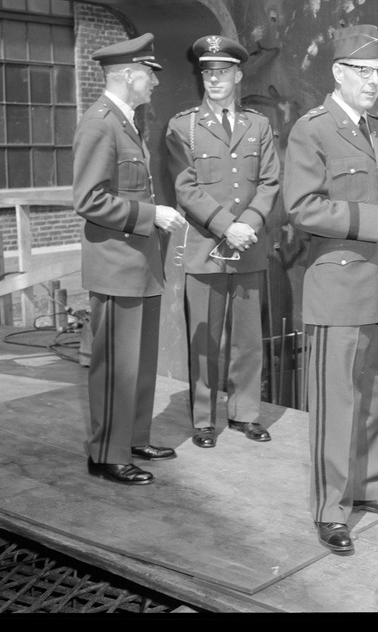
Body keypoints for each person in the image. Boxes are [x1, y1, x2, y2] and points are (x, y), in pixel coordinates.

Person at [283, 24, 378, 555]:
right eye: (363, 72)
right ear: (339, 73)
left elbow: (375, 198)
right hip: (338, 292)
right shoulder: (313, 131)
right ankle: (329, 510)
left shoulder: (373, 131)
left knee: (374, 402)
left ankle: (366, 489)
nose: (373, 82)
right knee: (336, 406)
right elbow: (301, 208)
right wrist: (374, 216)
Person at [72, 33, 187, 485]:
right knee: (115, 365)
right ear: (128, 76)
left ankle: (134, 437)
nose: (155, 84)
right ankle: (107, 453)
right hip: (117, 264)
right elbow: (88, 199)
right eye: (150, 76)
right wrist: (151, 214)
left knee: (138, 361)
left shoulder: (124, 122)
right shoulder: (100, 123)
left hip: (138, 262)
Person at [165, 35, 281, 448]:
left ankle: (245, 414)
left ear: (238, 75)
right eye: (207, 73)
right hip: (205, 248)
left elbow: (269, 182)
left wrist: (246, 224)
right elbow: (185, 188)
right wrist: (225, 225)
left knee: (248, 338)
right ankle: (203, 419)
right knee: (205, 340)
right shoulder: (184, 127)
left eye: (222, 72)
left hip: (248, 246)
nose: (213, 80)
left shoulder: (259, 125)